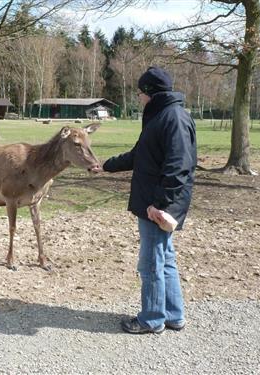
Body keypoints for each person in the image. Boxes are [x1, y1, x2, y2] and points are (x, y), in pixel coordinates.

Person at [93, 66, 197, 334]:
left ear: (150, 92)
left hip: (157, 206)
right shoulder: (160, 117)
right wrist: (105, 165)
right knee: (166, 258)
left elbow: (179, 167)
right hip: (154, 202)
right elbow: (138, 155)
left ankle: (151, 319)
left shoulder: (172, 118)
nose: (138, 97)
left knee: (151, 263)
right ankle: (174, 315)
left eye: (140, 92)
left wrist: (160, 204)